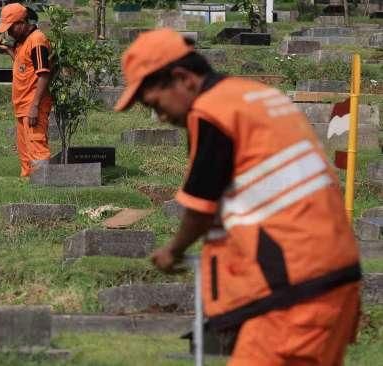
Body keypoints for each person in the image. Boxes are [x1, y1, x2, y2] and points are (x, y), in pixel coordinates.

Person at [115, 28, 361, 366]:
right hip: (329, 276)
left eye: (155, 104)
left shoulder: (213, 113)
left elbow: (200, 208)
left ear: (182, 78)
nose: (161, 117)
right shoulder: (252, 95)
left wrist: (173, 251)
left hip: (293, 293)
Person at [0, 3, 52, 178]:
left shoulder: (37, 40)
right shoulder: (22, 42)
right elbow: (23, 66)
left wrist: (34, 106)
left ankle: (44, 182)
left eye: (11, 28)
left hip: (32, 105)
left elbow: (43, 75)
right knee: (25, 150)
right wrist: (8, 50)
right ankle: (28, 180)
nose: (9, 32)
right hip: (22, 105)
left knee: (36, 147)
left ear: (22, 22)